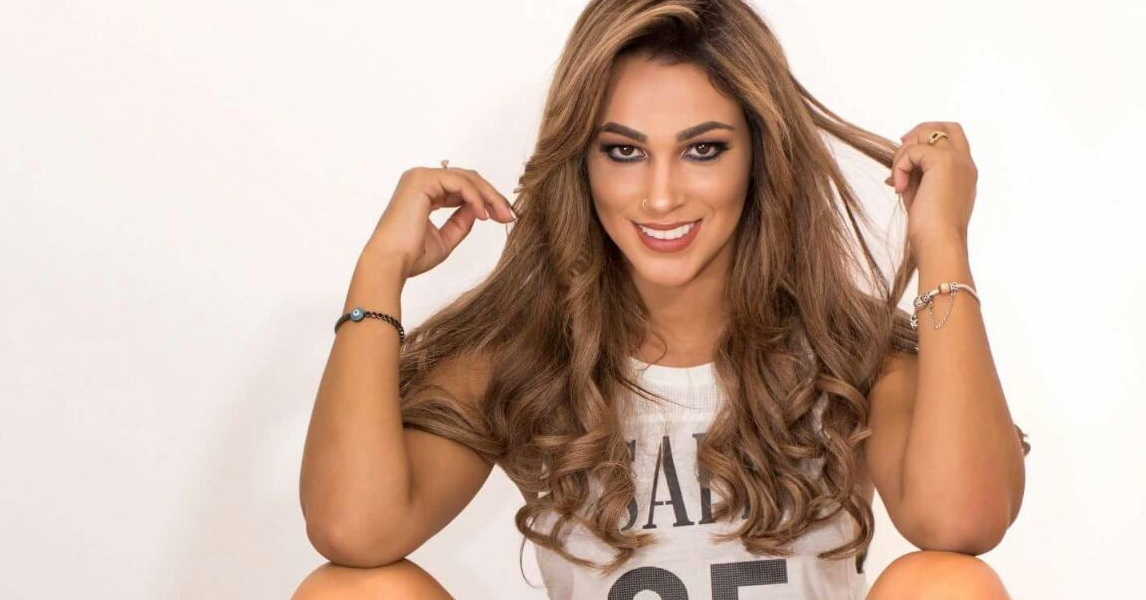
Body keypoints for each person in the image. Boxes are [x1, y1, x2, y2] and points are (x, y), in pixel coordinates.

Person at [293, 1, 1031, 598]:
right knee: (350, 593)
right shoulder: (525, 354)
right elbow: (353, 530)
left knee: (949, 584)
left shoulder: (847, 352)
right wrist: (379, 269)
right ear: (582, 163)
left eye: (703, 149)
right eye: (624, 151)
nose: (660, 195)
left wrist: (942, 243)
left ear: (759, 155)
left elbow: (963, 521)